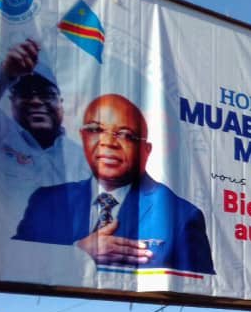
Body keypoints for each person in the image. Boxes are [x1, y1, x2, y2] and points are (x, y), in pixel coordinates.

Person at [13, 93, 215, 274]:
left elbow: (197, 287)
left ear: (146, 150)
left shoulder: (181, 215)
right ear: (83, 138)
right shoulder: (45, 202)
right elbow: (13, 264)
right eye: (95, 130)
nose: (108, 142)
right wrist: (78, 253)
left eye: (125, 134)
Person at [0, 39, 88, 230]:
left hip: (62, 248)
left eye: (46, 94)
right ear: (12, 101)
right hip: (4, 246)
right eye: (25, 94)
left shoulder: (84, 159)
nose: (36, 101)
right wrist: (5, 73)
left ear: (60, 103)